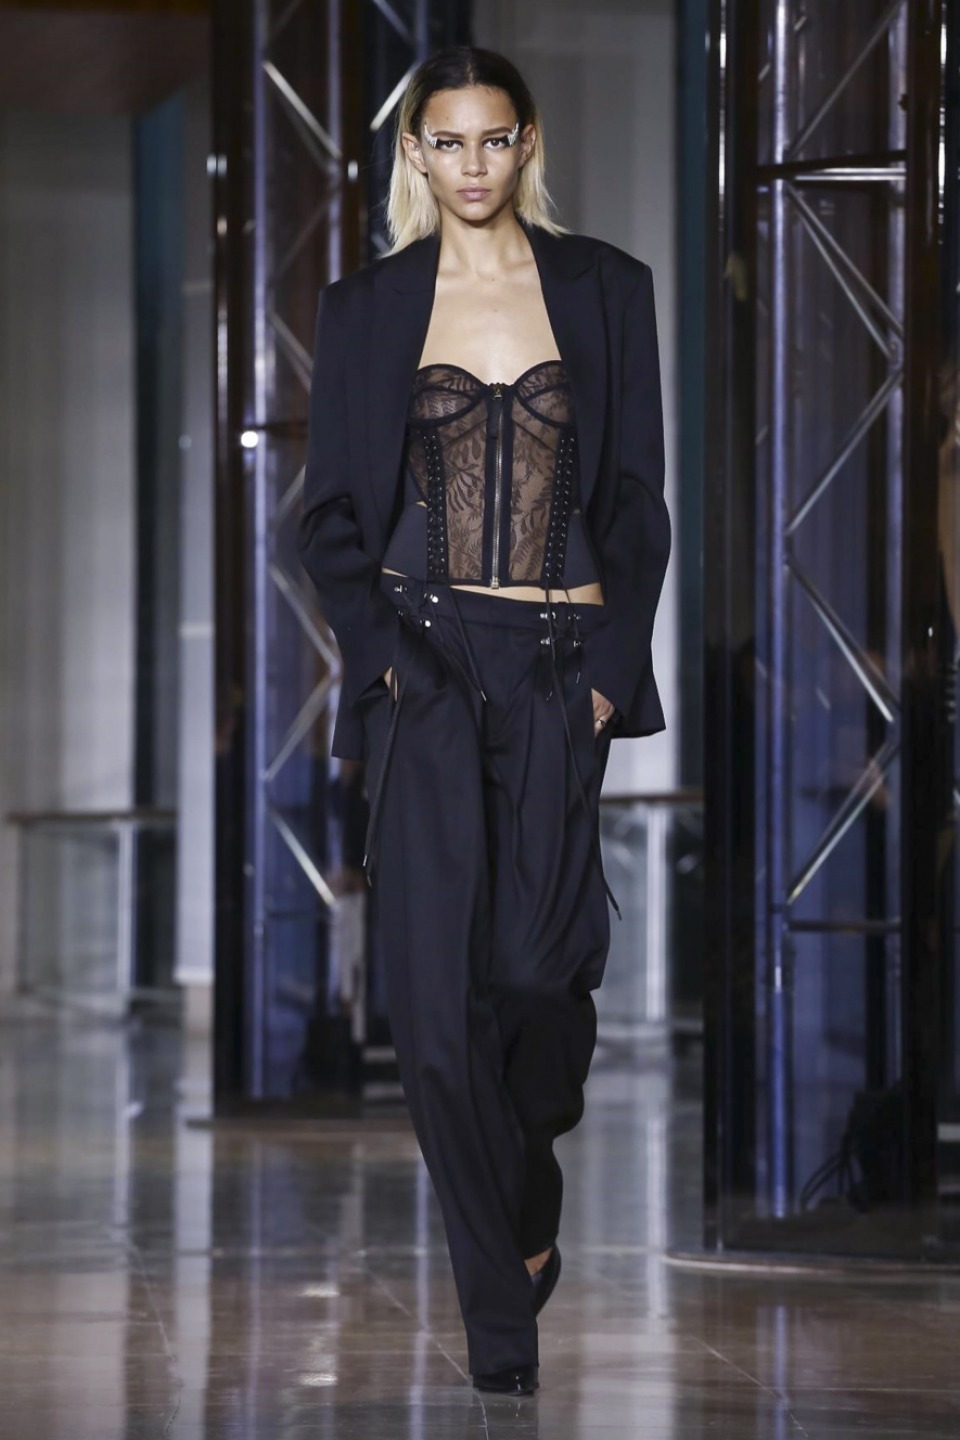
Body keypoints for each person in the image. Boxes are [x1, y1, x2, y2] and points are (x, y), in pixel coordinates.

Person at [298, 44, 670, 1396]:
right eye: (446, 142)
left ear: (528, 145)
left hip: (564, 666)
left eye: (493, 140)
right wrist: (391, 666)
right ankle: (500, 1328)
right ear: (415, 154)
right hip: (431, 666)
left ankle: (527, 1204)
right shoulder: (367, 308)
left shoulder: (607, 289)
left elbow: (637, 504)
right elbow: (328, 523)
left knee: (536, 981)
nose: (471, 165)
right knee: (435, 1007)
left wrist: (611, 673)